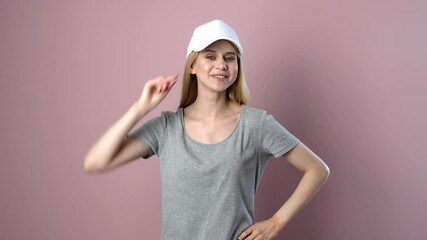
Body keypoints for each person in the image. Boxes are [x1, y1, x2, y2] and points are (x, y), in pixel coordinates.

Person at [84, 19, 330, 240]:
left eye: (229, 57)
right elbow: (96, 162)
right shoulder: (166, 128)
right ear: (192, 65)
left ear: (237, 66)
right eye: (210, 56)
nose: (221, 65)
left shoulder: (256, 125)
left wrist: (277, 222)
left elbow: (318, 169)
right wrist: (140, 108)